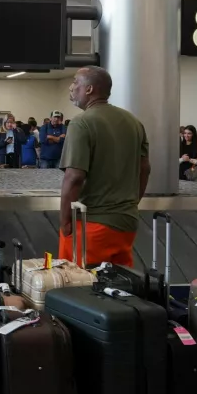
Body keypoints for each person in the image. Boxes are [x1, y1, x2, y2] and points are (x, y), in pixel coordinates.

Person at [60, 66, 150, 267]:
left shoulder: (81, 123)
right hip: (127, 222)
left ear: (89, 89)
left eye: (75, 82)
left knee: (78, 288)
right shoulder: (133, 122)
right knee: (119, 287)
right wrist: (132, 204)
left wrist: (65, 223)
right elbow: (145, 168)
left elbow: (74, 177)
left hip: (92, 223)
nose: (71, 87)